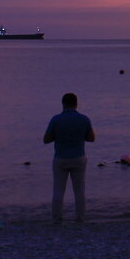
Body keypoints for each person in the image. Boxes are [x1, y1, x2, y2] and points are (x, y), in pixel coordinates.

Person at [43, 92, 95, 224]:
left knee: (58, 191)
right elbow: (91, 138)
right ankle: (80, 218)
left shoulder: (56, 119)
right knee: (79, 191)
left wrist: (58, 135)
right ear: (76, 104)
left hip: (60, 158)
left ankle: (56, 219)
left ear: (63, 104)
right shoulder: (84, 119)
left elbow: (46, 139)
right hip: (79, 157)